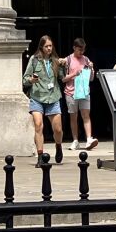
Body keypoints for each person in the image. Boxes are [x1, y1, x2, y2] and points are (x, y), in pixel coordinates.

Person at [22, 34, 66, 163]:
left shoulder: (55, 60)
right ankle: (40, 156)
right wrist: (31, 80)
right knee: (38, 125)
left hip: (53, 97)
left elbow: (62, 77)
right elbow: (25, 79)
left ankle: (58, 146)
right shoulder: (34, 59)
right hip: (37, 97)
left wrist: (63, 66)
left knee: (58, 129)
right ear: (41, 47)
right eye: (46, 46)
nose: (49, 48)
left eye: (50, 46)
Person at [63, 37, 99, 151]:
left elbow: (91, 78)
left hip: (84, 92)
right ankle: (75, 141)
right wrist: (75, 74)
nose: (81, 52)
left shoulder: (86, 60)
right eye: (79, 50)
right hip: (71, 92)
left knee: (86, 115)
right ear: (74, 48)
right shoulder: (67, 60)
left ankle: (89, 139)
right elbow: (63, 79)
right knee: (73, 117)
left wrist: (91, 69)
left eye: (83, 50)